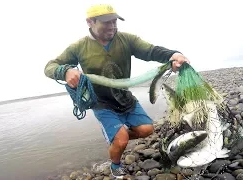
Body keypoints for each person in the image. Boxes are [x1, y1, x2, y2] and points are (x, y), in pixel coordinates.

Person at [44, 4, 190, 178]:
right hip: (102, 103)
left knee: (146, 130)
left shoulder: (126, 39)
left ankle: (116, 138)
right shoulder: (79, 47)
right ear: (90, 22)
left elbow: (150, 51)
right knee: (121, 140)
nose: (112, 26)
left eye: (114, 21)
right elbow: (50, 67)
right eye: (106, 22)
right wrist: (66, 71)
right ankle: (115, 165)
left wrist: (173, 55)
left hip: (125, 98)